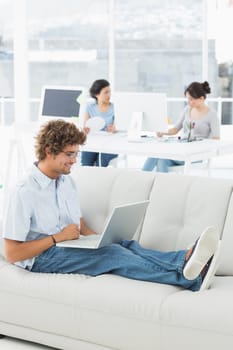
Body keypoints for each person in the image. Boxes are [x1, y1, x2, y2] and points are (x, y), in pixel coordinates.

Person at [2, 119, 220, 292]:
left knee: (123, 245)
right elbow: (12, 254)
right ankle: (188, 276)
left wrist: (98, 238)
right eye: (69, 154)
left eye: (76, 154)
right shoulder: (24, 191)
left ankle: (184, 258)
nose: (74, 160)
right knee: (112, 255)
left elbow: (76, 221)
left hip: (67, 245)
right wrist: (56, 238)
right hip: (41, 258)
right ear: (49, 151)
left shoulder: (66, 182)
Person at [142, 81, 220, 173]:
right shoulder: (187, 110)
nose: (189, 102)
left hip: (196, 154)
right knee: (161, 159)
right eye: (188, 99)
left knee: (159, 154)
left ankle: (140, 179)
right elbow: (175, 129)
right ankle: (160, 185)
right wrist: (162, 131)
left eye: (191, 99)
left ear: (201, 98)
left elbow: (216, 139)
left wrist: (201, 145)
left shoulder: (212, 115)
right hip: (181, 149)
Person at [81, 79, 118, 167]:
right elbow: (86, 126)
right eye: (106, 92)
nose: (109, 95)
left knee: (101, 160)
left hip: (109, 144)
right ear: (96, 94)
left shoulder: (115, 107)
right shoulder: (90, 107)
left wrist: (114, 129)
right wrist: (85, 130)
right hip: (94, 143)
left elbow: (118, 127)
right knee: (86, 160)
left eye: (109, 92)